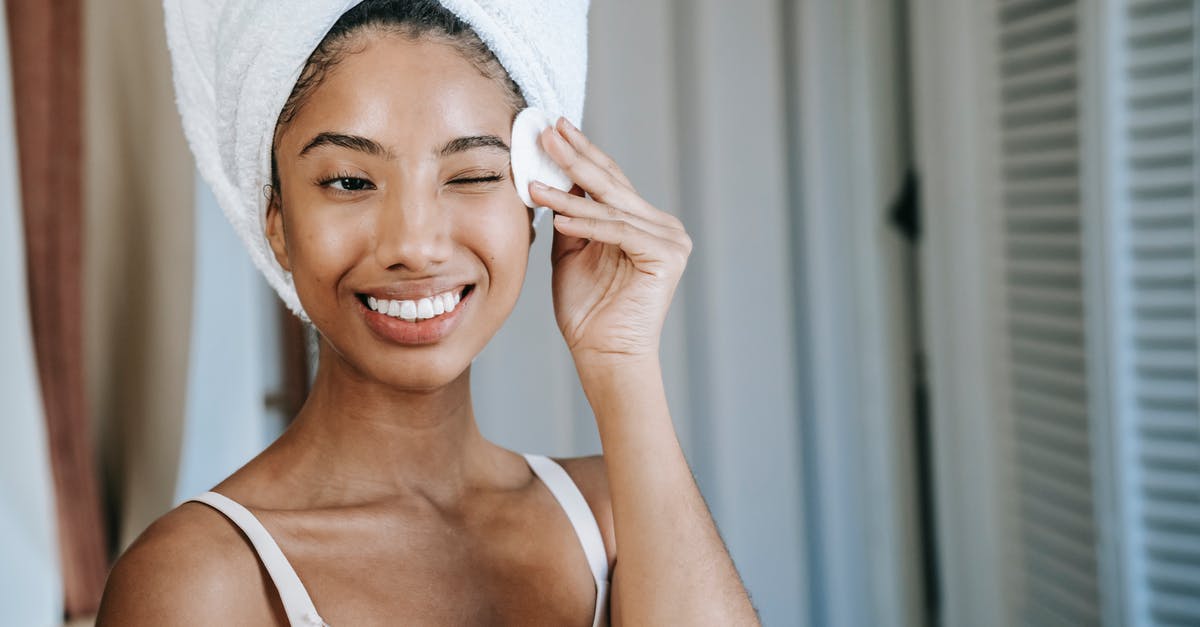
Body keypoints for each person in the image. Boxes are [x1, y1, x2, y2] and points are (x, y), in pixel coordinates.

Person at [97, 1, 758, 624]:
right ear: (276, 220)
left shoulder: (613, 519)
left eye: (470, 175)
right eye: (350, 181)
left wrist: (624, 363)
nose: (414, 245)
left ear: (537, 204)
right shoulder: (198, 578)